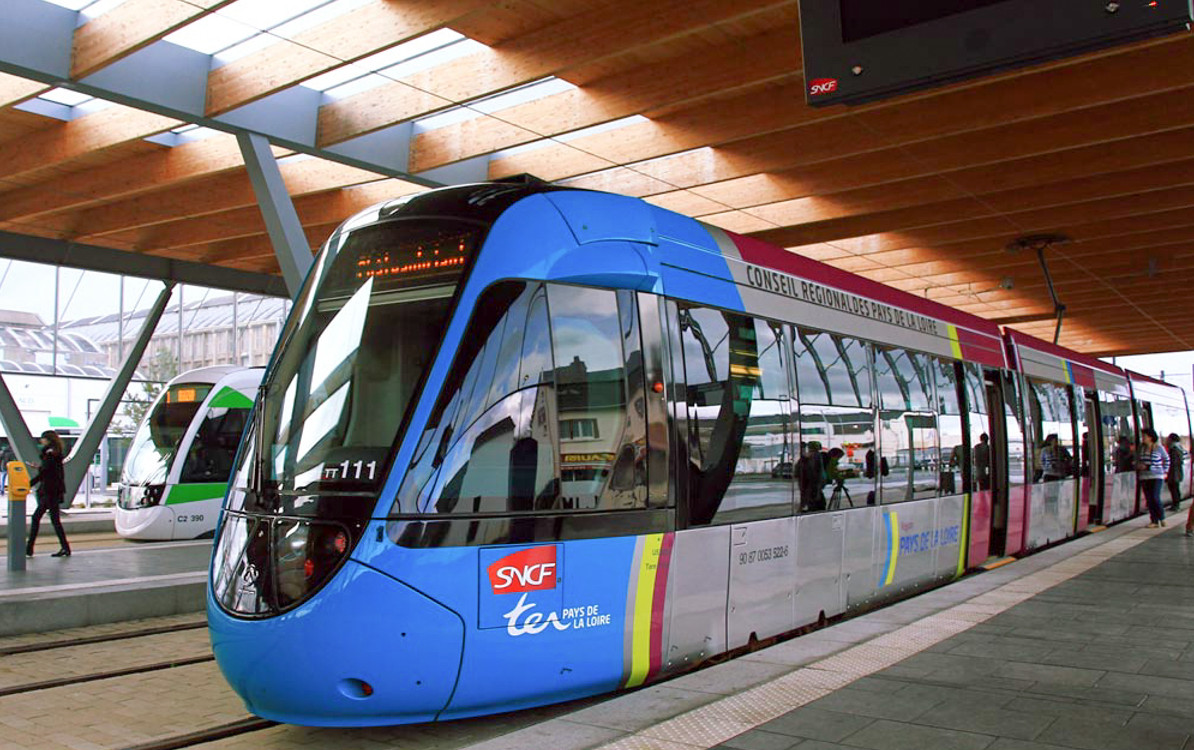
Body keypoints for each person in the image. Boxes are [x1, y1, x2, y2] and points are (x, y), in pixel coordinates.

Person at [26, 430, 70, 558]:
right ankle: (65, 548)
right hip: (54, 491)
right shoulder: (55, 453)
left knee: (37, 518)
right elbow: (50, 470)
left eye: (42, 438)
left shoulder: (50, 454)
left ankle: (29, 548)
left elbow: (45, 473)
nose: (41, 441)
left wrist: (29, 484)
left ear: (48, 440)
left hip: (49, 492)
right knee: (54, 520)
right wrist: (39, 467)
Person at [1137, 427, 1169, 528]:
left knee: (1155, 497)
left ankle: (1162, 517)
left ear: (1150, 437)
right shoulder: (1141, 448)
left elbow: (1167, 459)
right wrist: (1138, 465)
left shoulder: (1159, 448)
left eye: (1145, 436)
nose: (1143, 438)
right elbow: (1137, 459)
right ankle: (1154, 521)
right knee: (1149, 499)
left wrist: (1165, 471)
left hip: (1157, 476)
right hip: (1144, 476)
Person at [796, 441, 826, 512]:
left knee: (812, 500)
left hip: (810, 485)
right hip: (812, 485)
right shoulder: (816, 456)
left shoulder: (813, 457)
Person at [1165, 433, 1184, 513]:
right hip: (1177, 472)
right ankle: (1176, 504)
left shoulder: (1173, 449)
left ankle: (1176, 505)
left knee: (1174, 489)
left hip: (1174, 473)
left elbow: (1173, 462)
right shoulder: (1179, 447)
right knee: (1175, 488)